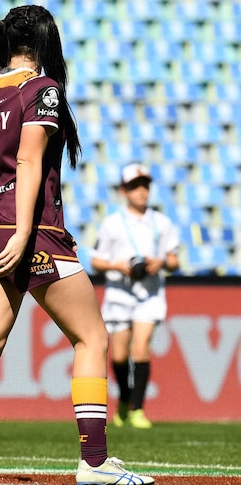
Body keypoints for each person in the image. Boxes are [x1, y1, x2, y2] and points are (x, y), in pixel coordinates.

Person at [0, 6, 154, 485]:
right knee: (92, 337)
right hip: (33, 234)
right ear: (45, 41)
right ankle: (94, 463)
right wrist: (23, 232)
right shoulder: (42, 89)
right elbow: (29, 162)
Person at [91, 163, 179, 430]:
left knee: (141, 346)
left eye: (145, 186)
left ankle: (138, 408)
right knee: (118, 355)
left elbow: (174, 260)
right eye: (134, 186)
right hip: (119, 293)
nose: (141, 191)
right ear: (123, 190)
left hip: (149, 293)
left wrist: (160, 262)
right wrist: (118, 265)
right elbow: (96, 260)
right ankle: (125, 398)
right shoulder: (112, 223)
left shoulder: (162, 223)